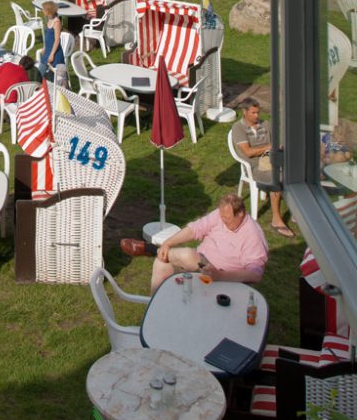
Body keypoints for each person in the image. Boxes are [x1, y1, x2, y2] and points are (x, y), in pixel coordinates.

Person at [121, 193, 269, 293]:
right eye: (222, 217)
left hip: (223, 278)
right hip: (200, 265)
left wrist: (221, 276)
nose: (223, 222)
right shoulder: (220, 215)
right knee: (161, 262)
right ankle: (154, 311)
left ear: (241, 214)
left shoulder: (252, 236)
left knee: (187, 254)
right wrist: (168, 243)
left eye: (227, 219)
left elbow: (255, 274)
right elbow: (194, 229)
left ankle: (150, 249)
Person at [231, 97, 293, 237]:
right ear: (244, 112)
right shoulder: (238, 128)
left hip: (272, 159)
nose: (257, 116)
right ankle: (276, 219)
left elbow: (278, 141)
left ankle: (295, 211)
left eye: (258, 112)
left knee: (295, 171)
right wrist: (270, 147)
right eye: (253, 113)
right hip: (255, 166)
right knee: (277, 178)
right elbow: (248, 152)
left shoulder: (265, 124)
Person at [36, 0, 64, 79]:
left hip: (55, 53)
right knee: (40, 73)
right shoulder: (49, 19)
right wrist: (45, 47)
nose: (42, 10)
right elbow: (47, 36)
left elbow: (57, 40)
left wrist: (52, 54)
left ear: (49, 11)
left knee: (54, 77)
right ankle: (39, 87)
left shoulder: (56, 22)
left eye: (43, 9)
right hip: (47, 50)